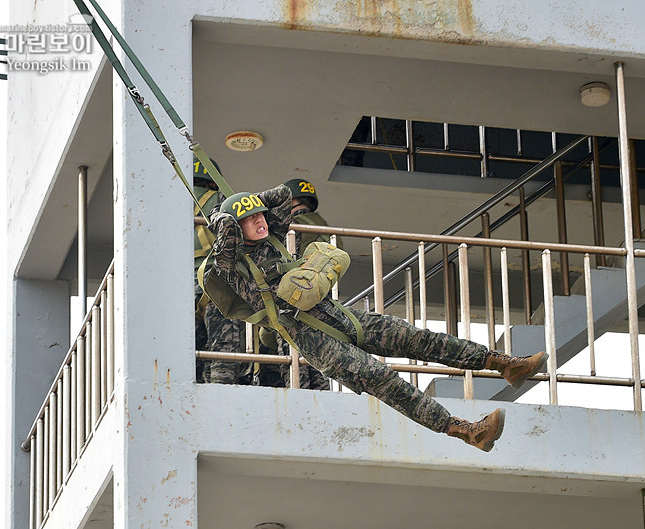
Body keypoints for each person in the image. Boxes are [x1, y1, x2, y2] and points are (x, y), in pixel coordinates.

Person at [204, 184, 548, 452]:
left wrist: (249, 202)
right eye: (250, 219)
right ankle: (466, 431)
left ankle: (503, 363)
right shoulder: (231, 265)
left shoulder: (273, 238)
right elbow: (227, 241)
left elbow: (281, 196)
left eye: (259, 215)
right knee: (385, 381)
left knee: (414, 338)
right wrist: (226, 216)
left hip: (337, 315)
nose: (260, 220)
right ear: (236, 227)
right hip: (313, 337)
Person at [258, 178, 337, 390]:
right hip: (324, 304)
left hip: (293, 303)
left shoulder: (290, 228)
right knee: (322, 364)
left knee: (295, 366)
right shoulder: (326, 228)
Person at [191, 157, 251, 384]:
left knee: (189, 350)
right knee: (223, 347)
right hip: (217, 284)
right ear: (214, 181)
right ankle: (220, 391)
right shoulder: (220, 200)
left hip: (181, 290)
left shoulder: (171, 203)